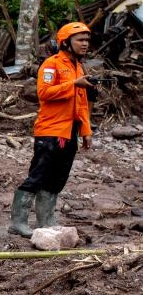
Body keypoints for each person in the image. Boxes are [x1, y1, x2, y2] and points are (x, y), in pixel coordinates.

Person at [8, 22, 95, 237]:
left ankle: (46, 220)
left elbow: (81, 104)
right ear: (66, 42)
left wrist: (86, 131)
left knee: (58, 178)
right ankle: (18, 223)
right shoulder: (51, 64)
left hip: (70, 132)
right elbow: (44, 93)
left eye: (86, 40)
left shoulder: (78, 67)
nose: (85, 44)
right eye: (80, 40)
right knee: (38, 175)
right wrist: (73, 84)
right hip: (50, 130)